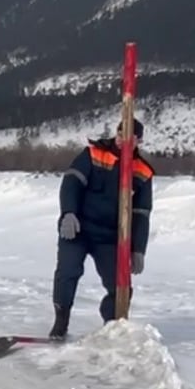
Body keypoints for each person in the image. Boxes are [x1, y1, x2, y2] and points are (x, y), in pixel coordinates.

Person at [49, 117, 154, 340]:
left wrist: (138, 249)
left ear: (139, 141)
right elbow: (71, 182)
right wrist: (68, 212)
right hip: (77, 228)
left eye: (129, 137)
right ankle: (61, 322)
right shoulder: (94, 154)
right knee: (68, 272)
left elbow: (141, 213)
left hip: (109, 236)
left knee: (121, 285)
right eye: (119, 134)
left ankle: (111, 328)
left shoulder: (142, 171)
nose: (122, 140)